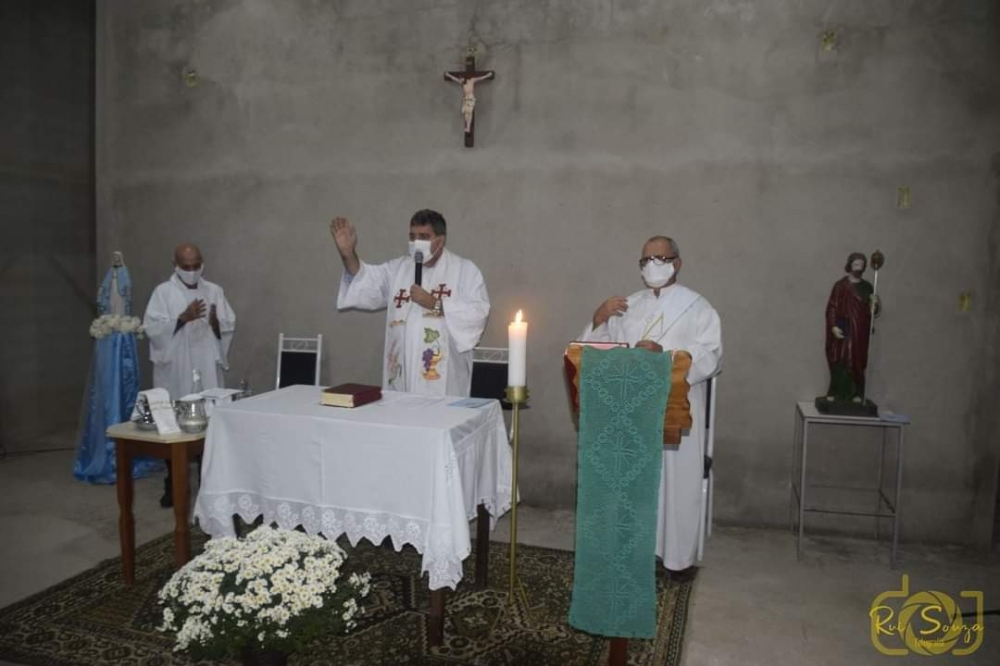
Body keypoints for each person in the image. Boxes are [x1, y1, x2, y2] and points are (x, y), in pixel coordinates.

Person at [579, 235, 722, 577]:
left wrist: (665, 357)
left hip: (676, 406)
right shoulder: (627, 305)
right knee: (631, 481)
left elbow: (712, 355)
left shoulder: (697, 307)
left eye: (660, 258)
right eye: (646, 260)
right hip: (631, 409)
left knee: (677, 484)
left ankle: (676, 560)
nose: (652, 266)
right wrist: (598, 318)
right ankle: (631, 551)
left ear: (677, 263)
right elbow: (596, 352)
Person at [332, 209, 489, 397]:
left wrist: (435, 304)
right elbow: (366, 282)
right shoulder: (398, 269)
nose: (416, 243)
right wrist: (348, 254)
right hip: (402, 379)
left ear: (440, 240)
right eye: (412, 236)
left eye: (424, 237)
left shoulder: (464, 271)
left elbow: (477, 315)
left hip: (444, 384)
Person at [143, 243, 236, 506]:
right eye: (186, 266)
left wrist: (216, 325)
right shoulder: (163, 292)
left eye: (196, 265)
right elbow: (152, 329)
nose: (192, 270)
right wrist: (182, 318)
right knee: (174, 423)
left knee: (209, 420)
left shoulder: (214, 291)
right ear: (175, 265)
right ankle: (174, 483)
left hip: (206, 365)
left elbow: (227, 326)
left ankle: (209, 483)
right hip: (176, 369)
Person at [824, 252, 879, 402]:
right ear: (850, 265)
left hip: (860, 329)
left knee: (857, 360)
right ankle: (835, 390)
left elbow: (872, 312)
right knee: (840, 358)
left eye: (861, 264)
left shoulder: (867, 287)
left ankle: (857, 393)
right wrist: (833, 326)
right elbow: (832, 307)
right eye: (856, 264)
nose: (858, 267)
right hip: (844, 327)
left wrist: (874, 305)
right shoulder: (840, 286)